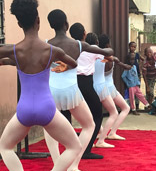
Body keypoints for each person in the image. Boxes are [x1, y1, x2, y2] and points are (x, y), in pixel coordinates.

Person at [0, 0, 81, 171]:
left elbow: (17, 59)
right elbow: (74, 63)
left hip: (24, 109)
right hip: (47, 108)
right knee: (75, 146)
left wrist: (5, 61)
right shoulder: (52, 51)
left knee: (5, 147)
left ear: (19, 24)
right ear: (38, 21)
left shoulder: (12, 50)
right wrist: (63, 67)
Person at [43, 10, 112, 171]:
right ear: (66, 24)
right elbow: (109, 52)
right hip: (71, 91)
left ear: (50, 25)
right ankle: (73, 165)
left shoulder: (46, 44)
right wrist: (105, 52)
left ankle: (57, 162)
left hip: (51, 91)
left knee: (49, 127)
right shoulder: (79, 45)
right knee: (89, 125)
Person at [69, 24, 109, 158]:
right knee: (97, 115)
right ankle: (86, 149)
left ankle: (73, 145)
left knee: (69, 116)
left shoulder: (70, 47)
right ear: (84, 34)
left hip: (72, 83)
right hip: (86, 83)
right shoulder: (90, 49)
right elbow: (108, 54)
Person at [98, 34, 131, 140]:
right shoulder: (110, 58)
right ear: (108, 44)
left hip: (98, 87)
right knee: (123, 109)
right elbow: (118, 62)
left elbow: (118, 62)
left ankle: (102, 131)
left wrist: (123, 65)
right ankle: (109, 133)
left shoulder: (96, 56)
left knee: (96, 112)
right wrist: (125, 66)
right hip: (109, 88)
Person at [125, 41, 144, 111]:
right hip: (130, 75)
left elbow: (143, 59)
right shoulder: (128, 55)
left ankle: (137, 105)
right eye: (131, 46)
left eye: (134, 47)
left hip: (137, 74)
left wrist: (141, 66)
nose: (133, 48)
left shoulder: (137, 55)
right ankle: (132, 107)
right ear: (129, 47)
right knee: (131, 91)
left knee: (138, 90)